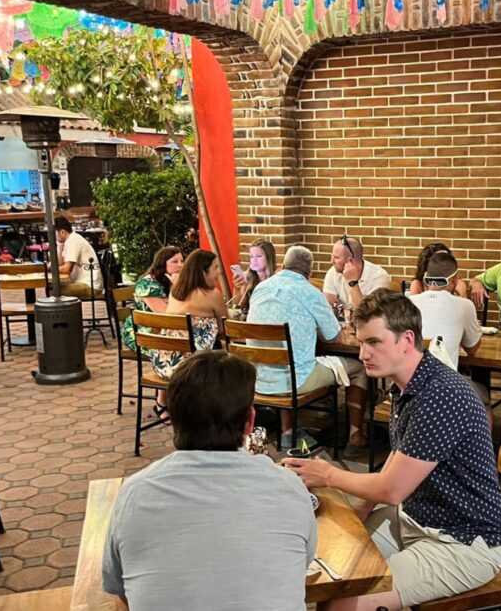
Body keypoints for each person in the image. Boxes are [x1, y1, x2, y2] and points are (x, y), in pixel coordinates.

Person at [283, 290, 501, 611]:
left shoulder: (440, 396)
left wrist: (329, 474)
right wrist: (360, 510)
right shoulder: (408, 383)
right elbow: (399, 457)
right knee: (332, 564)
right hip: (416, 522)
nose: (363, 354)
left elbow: (392, 489)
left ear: (406, 340)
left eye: (374, 342)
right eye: (361, 343)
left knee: (339, 604)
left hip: (462, 543)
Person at [102, 350, 317, 611]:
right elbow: (299, 569)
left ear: (170, 417)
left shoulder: (133, 493)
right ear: (250, 421)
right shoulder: (290, 487)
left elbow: (121, 589)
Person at [247, 245, 369, 454]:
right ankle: (355, 436)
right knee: (360, 367)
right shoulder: (310, 292)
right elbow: (333, 336)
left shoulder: (261, 288)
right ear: (309, 272)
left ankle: (288, 433)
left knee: (288, 361)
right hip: (296, 381)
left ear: (284, 266)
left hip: (259, 378)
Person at [151, 249, 228, 420]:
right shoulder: (213, 295)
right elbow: (226, 329)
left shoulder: (175, 291)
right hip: (192, 368)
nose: (219, 272)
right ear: (203, 272)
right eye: (216, 268)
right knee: (228, 362)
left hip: (162, 363)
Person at [409, 251, 480, 367]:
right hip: (445, 383)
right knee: (480, 386)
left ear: (426, 276)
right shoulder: (465, 306)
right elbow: (472, 349)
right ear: (454, 280)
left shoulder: (409, 303)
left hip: (409, 382)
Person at [121, 246, 184, 352]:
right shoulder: (148, 284)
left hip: (165, 327)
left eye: (182, 261)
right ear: (162, 263)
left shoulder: (172, 278)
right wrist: (177, 288)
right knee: (185, 345)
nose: (180, 265)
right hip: (143, 331)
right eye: (175, 261)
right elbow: (167, 314)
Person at [323, 235, 390, 310]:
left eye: (336, 258)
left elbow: (369, 312)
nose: (331, 261)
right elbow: (326, 305)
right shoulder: (333, 272)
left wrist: (352, 282)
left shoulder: (379, 276)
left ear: (350, 261)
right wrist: (342, 310)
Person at [54, 216, 102, 298]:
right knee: (54, 287)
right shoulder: (70, 240)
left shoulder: (73, 241)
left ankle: (72, 311)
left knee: (55, 291)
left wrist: (50, 269)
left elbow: (66, 269)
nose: (55, 236)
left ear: (62, 232)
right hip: (83, 282)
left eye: (55, 233)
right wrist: (59, 247)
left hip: (90, 285)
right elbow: (60, 263)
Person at [232, 238, 276, 312]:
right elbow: (235, 307)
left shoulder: (277, 277)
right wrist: (237, 289)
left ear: (269, 258)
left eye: (259, 256)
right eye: (251, 257)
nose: (254, 260)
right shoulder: (246, 277)